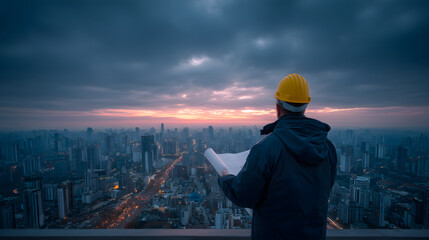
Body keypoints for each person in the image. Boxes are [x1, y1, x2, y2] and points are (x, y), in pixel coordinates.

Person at [218, 73, 337, 240]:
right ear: (305, 106)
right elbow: (324, 189)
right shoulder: (327, 147)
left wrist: (225, 179)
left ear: (278, 107)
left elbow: (244, 195)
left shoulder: (266, 148)